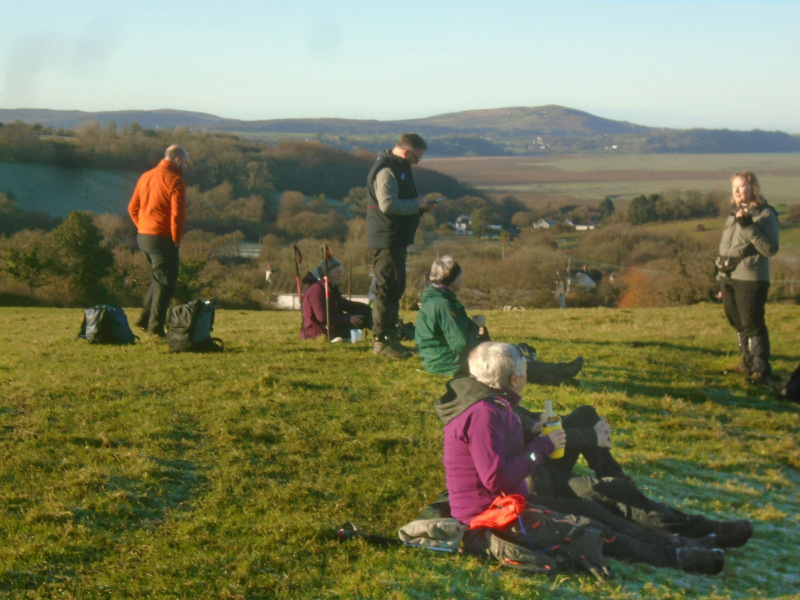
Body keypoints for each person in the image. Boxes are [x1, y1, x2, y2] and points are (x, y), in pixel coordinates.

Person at [435, 342, 726, 574]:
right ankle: (677, 556)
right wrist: (543, 446)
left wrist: (534, 432)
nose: (527, 374)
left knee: (591, 511)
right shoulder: (485, 413)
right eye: (525, 369)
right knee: (589, 528)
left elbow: (498, 455)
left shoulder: (491, 405)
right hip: (491, 516)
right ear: (515, 378)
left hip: (510, 504)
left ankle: (678, 543)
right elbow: (495, 477)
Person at [415, 255, 583, 384]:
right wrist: (476, 325)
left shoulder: (438, 299)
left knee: (506, 357)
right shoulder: (444, 304)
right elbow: (461, 344)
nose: (463, 280)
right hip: (447, 363)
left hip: (439, 359)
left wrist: (479, 333)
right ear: (452, 280)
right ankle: (561, 371)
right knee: (505, 362)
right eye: (460, 277)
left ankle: (559, 378)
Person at [366, 133, 436, 359]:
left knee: (395, 286)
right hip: (386, 237)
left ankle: (391, 338)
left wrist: (420, 208)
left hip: (394, 237)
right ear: (406, 152)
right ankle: (382, 341)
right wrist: (416, 204)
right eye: (416, 158)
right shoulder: (387, 170)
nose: (417, 162)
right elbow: (387, 204)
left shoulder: (399, 167)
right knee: (387, 287)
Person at [717, 171, 779, 384]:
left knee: (752, 323)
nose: (736, 191)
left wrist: (749, 226)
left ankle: (761, 369)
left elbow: (770, 249)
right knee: (738, 323)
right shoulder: (733, 214)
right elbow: (727, 247)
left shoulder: (765, 214)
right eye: (734, 187)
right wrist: (719, 278)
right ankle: (747, 365)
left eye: (741, 186)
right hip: (729, 276)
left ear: (753, 188)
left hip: (751, 277)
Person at [128, 145, 189, 337]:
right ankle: (154, 329)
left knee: (159, 278)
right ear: (177, 160)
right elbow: (177, 215)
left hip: (143, 236)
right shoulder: (176, 180)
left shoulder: (146, 176)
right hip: (162, 237)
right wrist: (176, 239)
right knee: (167, 283)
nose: (186, 166)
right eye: (185, 162)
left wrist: (143, 227)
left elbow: (132, 208)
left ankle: (145, 319)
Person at [300, 257, 372, 341]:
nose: (340, 275)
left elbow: (343, 304)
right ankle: (383, 336)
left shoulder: (331, 288)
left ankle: (382, 334)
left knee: (364, 312)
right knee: (363, 315)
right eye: (337, 272)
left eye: (341, 272)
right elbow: (322, 316)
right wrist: (347, 318)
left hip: (332, 327)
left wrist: (366, 308)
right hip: (320, 332)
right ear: (327, 274)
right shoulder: (317, 289)